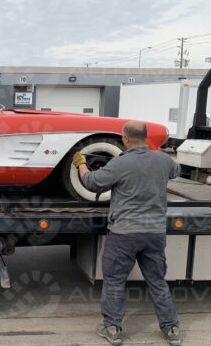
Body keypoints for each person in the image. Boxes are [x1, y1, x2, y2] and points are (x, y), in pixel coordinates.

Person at [72, 121, 181, 346]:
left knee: (114, 280)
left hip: (124, 234)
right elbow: (176, 171)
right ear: (146, 137)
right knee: (158, 281)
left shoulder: (120, 163)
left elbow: (92, 182)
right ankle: (171, 329)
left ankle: (112, 328)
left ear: (125, 139)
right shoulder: (162, 160)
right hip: (154, 233)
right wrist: (157, 153)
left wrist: (81, 164)